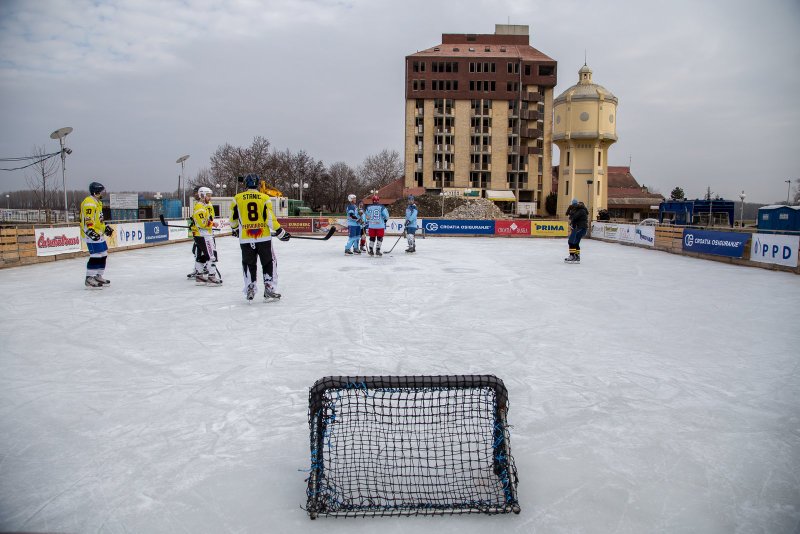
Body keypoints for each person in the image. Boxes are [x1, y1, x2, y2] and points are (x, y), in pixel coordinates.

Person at [229, 173, 291, 301]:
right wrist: (279, 230)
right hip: (263, 237)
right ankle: (269, 288)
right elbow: (269, 218)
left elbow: (233, 219)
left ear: (245, 184)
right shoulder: (264, 198)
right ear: (257, 184)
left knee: (248, 263)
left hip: (246, 238)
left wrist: (235, 229)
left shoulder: (237, 198)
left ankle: (250, 287)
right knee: (269, 262)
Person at [80, 181, 114, 288]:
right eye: (101, 191)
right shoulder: (89, 202)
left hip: (98, 233)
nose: (102, 193)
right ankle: (89, 278)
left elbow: (99, 221)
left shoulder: (98, 203)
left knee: (104, 254)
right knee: (96, 255)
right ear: (95, 192)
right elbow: (88, 218)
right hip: (90, 233)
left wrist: (105, 228)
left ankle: (98, 275)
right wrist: (90, 230)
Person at [192, 187, 221, 285]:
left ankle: (199, 276)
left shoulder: (203, 206)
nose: (210, 198)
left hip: (201, 235)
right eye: (208, 196)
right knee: (211, 255)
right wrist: (213, 224)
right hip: (204, 235)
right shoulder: (200, 207)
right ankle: (211, 277)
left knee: (201, 256)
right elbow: (202, 223)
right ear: (202, 195)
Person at [187, 186, 205, 279]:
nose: (194, 195)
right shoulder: (198, 204)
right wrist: (193, 224)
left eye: (196, 193)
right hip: (199, 233)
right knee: (196, 251)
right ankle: (200, 268)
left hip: (202, 233)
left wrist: (195, 225)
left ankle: (201, 269)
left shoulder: (203, 204)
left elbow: (203, 220)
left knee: (199, 252)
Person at [565, 198, 589, 263]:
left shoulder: (581, 210)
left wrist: (571, 213)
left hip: (580, 228)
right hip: (580, 228)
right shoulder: (581, 210)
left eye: (573, 205)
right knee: (576, 243)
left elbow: (574, 217)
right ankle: (577, 256)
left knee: (571, 241)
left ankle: (572, 256)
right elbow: (573, 218)